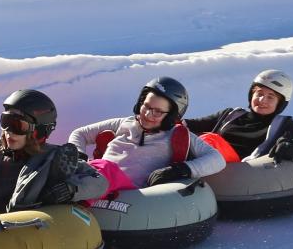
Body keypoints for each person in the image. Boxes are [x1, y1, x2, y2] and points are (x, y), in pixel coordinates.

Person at [0, 88, 107, 225]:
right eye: (5, 121)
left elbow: (100, 182)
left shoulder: (53, 156)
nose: (9, 131)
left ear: (39, 130)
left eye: (17, 125)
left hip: (10, 222)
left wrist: (70, 189)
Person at [65, 74, 227, 196]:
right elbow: (80, 133)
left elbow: (217, 159)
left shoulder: (176, 135)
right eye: (146, 106)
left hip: (128, 192)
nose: (148, 114)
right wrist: (79, 156)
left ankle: (70, 190)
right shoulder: (124, 123)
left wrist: (180, 170)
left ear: (171, 116)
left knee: (106, 169)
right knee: (62, 157)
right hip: (95, 177)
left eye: (158, 111)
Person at [185, 68, 293, 163]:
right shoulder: (230, 114)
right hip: (207, 161)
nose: (262, 100)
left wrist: (290, 145)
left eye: (271, 97)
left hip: (239, 172)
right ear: (251, 95)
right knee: (181, 132)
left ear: (280, 103)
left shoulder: (282, 124)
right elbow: (191, 124)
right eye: (259, 93)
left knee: (210, 140)